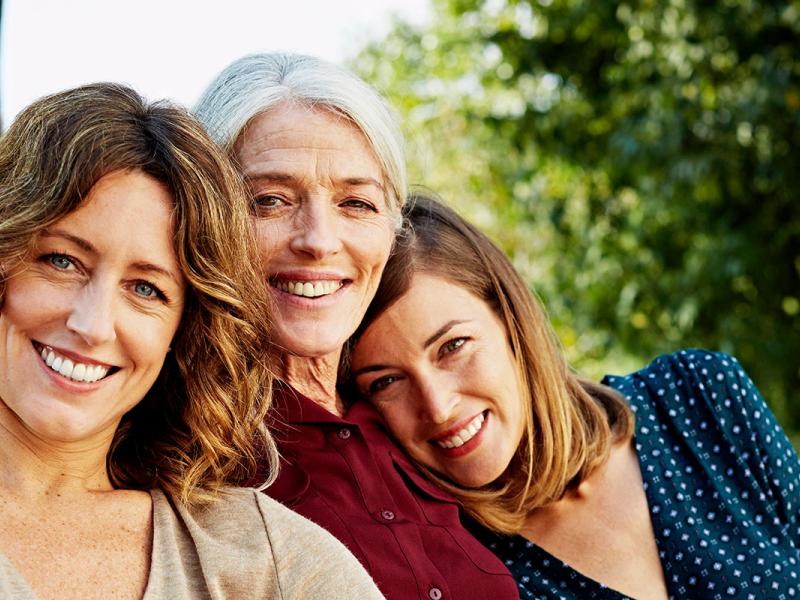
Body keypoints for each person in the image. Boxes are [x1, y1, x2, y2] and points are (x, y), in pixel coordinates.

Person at [0, 82, 383, 599]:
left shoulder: (270, 564)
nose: (92, 325)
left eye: (146, 289)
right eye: (62, 261)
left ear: (183, 335)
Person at [349, 193, 800, 600]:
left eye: (453, 347)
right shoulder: (449, 565)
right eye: (386, 382)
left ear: (510, 319)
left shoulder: (698, 394)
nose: (438, 405)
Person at [195, 53, 519, 599]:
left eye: (356, 203)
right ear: (204, 213)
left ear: (393, 227)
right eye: (269, 200)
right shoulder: (191, 445)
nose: (318, 239)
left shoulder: (408, 417)